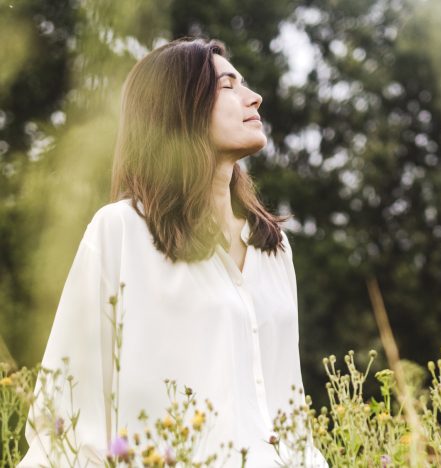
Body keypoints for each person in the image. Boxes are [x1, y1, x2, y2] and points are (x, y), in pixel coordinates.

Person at [19, 37, 328, 467]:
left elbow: (288, 408)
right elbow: (67, 414)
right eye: (228, 86)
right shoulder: (121, 232)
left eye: (246, 84)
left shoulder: (273, 247)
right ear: (178, 107)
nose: (253, 96)